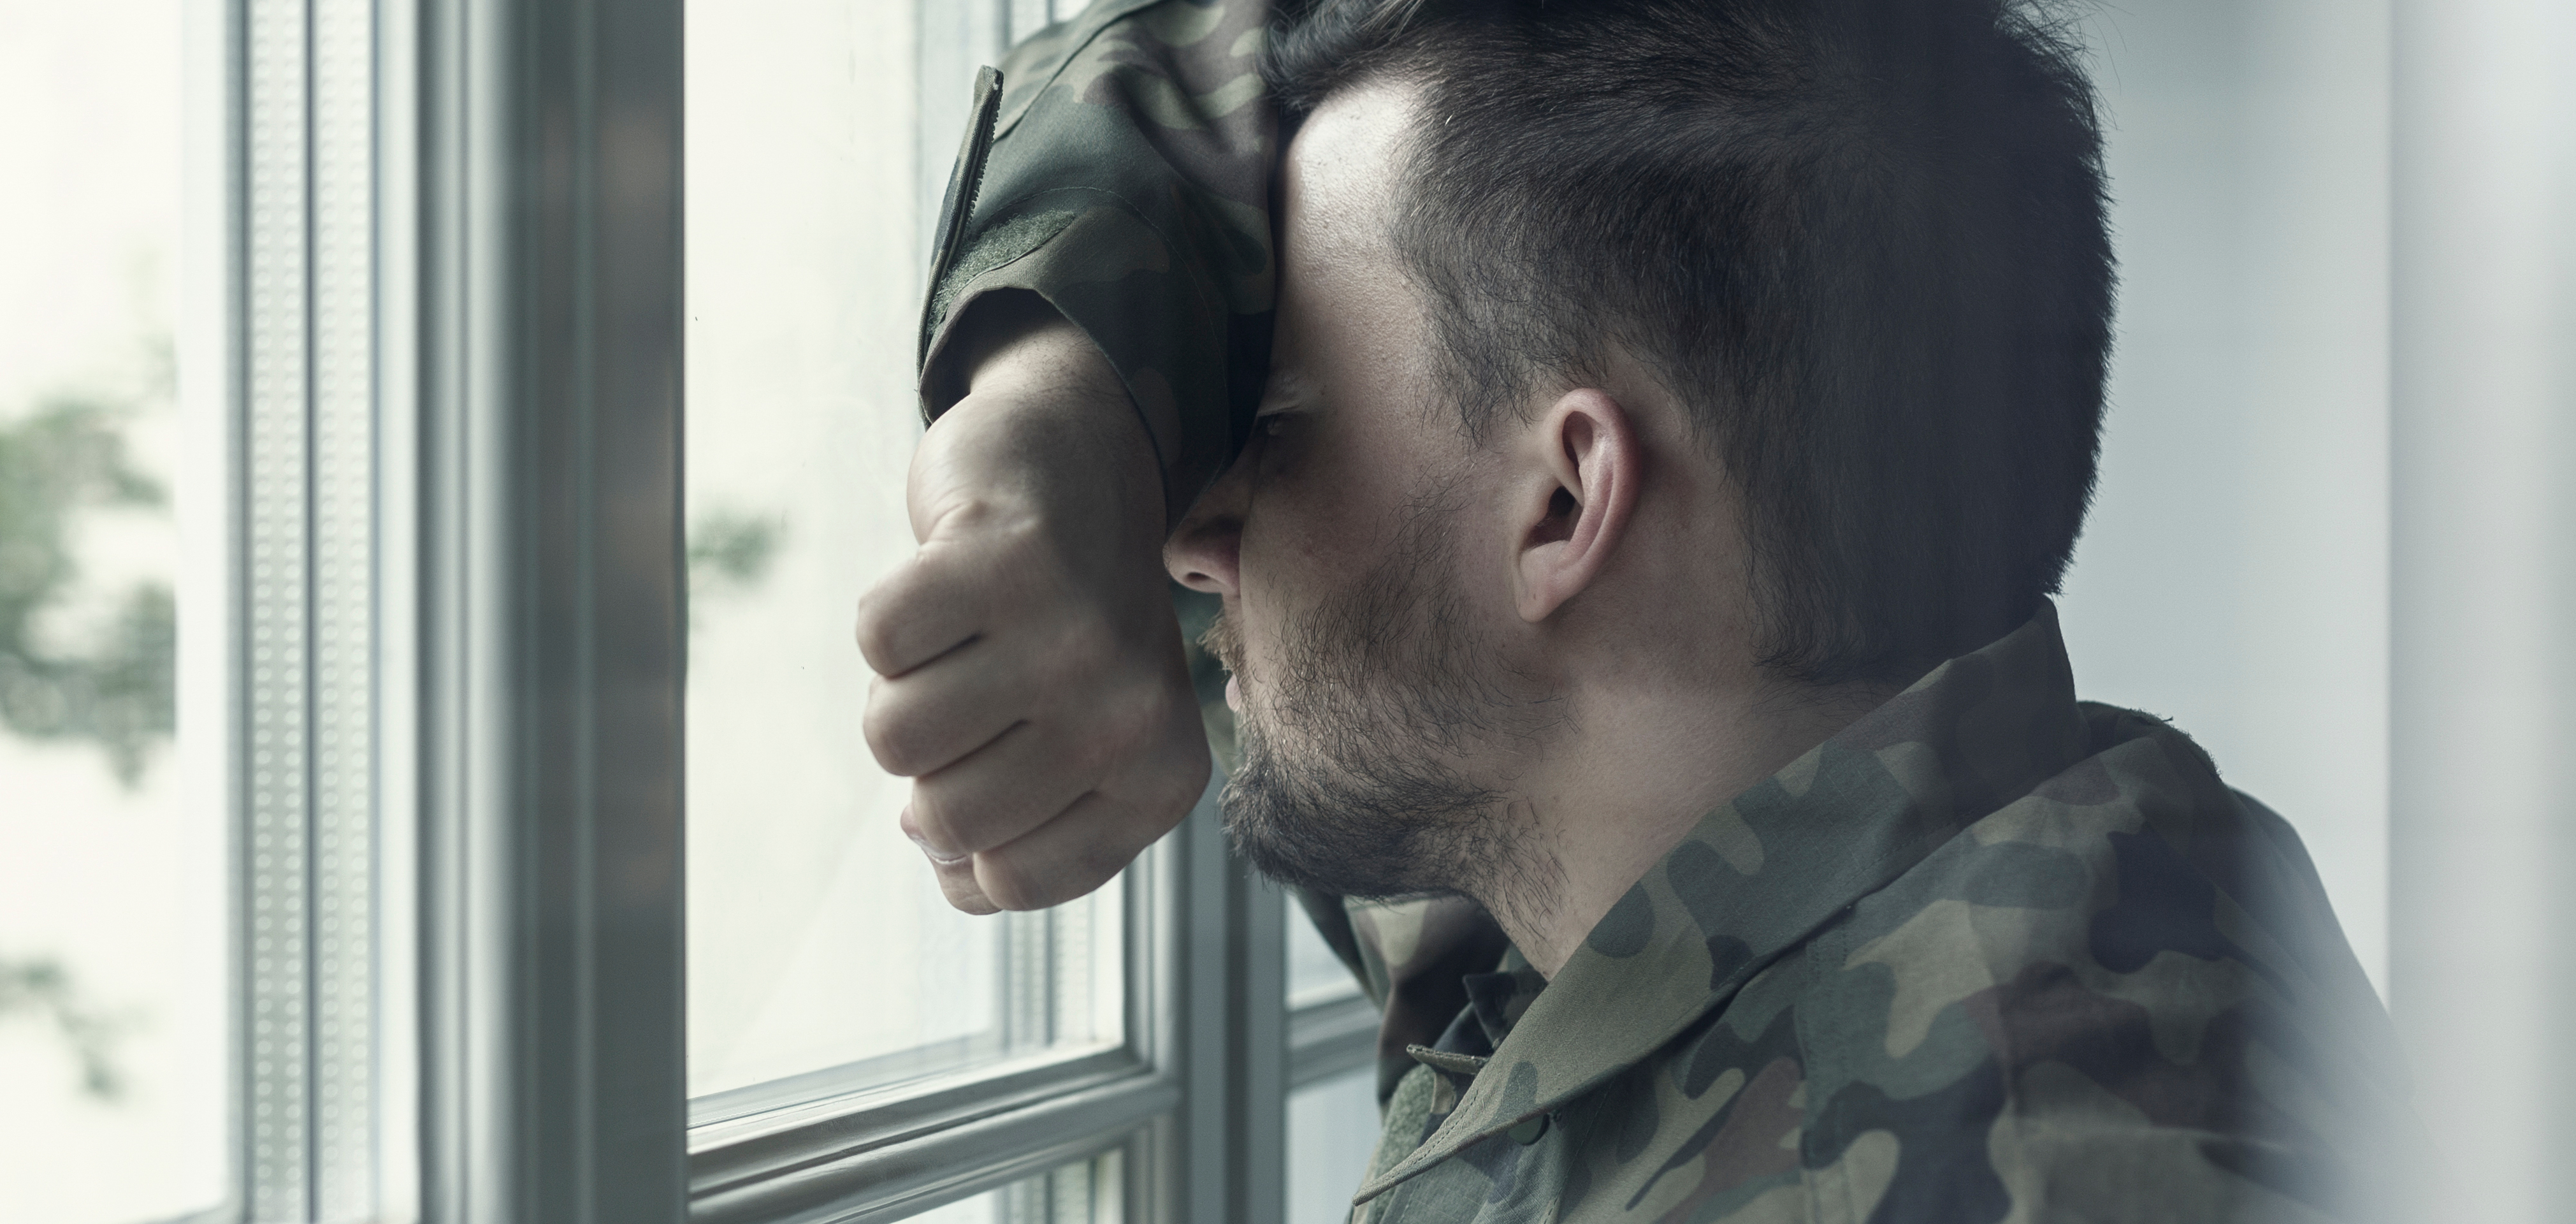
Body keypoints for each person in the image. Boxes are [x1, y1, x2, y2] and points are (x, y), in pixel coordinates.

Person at [854, 0, 2407, 1218]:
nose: (1188, 541)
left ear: (1563, 504)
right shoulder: (1675, 877)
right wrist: (1058, 407)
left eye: (1273, 424)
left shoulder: (2027, 1169)